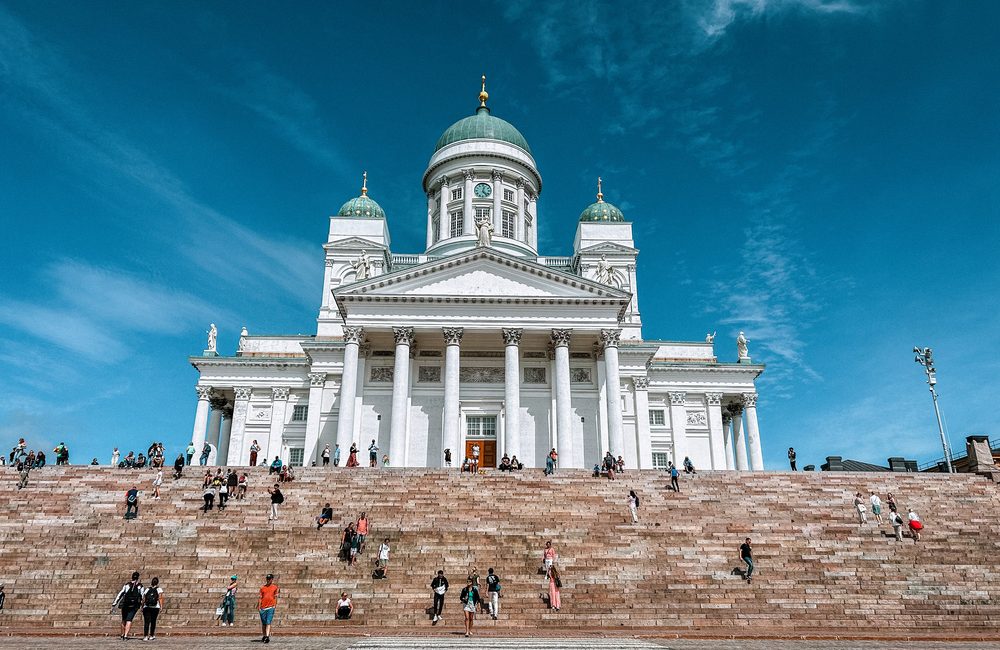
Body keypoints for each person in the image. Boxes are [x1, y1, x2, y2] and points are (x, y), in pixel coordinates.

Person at [112, 571, 143, 640]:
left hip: (125, 604)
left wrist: (115, 603)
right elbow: (142, 596)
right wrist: (142, 605)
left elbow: (121, 593)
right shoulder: (140, 586)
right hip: (134, 606)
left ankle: (122, 634)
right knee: (129, 620)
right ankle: (126, 635)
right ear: (138, 578)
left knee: (124, 619)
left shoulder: (127, 585)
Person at [257, 574, 279, 644]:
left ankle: (267, 636)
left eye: (269, 579)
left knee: (268, 622)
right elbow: (260, 598)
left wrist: (274, 605)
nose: (268, 580)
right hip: (263, 607)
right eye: (267, 578)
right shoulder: (262, 588)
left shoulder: (275, 587)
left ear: (272, 579)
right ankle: (264, 635)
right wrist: (259, 607)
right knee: (264, 623)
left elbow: (275, 597)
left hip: (270, 607)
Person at [140, 576, 163, 641]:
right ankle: (151, 635)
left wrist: (142, 606)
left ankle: (145, 636)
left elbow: (143, 599)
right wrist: (161, 606)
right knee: (153, 621)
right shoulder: (159, 589)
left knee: (146, 622)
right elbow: (160, 598)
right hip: (155, 607)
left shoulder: (147, 589)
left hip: (146, 607)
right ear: (157, 583)